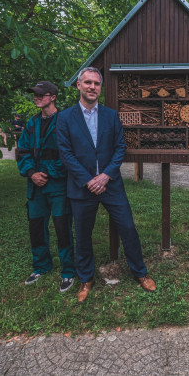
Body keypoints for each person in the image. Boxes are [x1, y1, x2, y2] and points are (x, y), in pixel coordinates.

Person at [56, 67, 156, 303]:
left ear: (100, 88)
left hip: (110, 185)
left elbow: (120, 147)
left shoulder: (111, 116)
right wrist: (89, 180)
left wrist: (105, 176)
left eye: (96, 84)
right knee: (83, 235)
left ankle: (140, 273)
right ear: (78, 85)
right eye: (88, 82)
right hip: (82, 188)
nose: (92, 87)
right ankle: (86, 278)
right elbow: (66, 153)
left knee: (128, 228)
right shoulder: (65, 118)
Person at [16, 81, 76, 293]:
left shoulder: (65, 121)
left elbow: (70, 154)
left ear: (52, 97)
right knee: (36, 227)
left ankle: (68, 271)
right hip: (36, 187)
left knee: (62, 228)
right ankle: (41, 266)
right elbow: (22, 151)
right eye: (35, 94)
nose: (36, 97)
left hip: (58, 186)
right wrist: (32, 173)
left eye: (40, 94)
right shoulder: (31, 124)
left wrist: (47, 172)